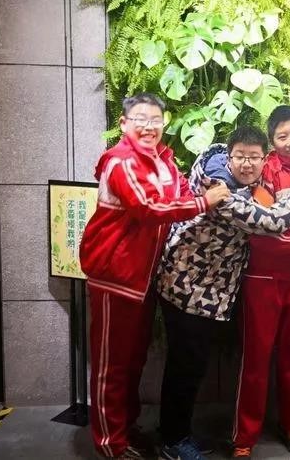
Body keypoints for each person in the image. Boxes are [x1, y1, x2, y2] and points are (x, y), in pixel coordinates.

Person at [79, 93, 230, 459]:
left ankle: (125, 428)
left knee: (133, 360)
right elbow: (149, 208)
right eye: (140, 120)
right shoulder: (120, 161)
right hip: (116, 276)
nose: (148, 127)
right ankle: (110, 443)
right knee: (112, 365)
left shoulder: (163, 160)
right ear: (124, 124)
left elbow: (181, 190)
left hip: (144, 278)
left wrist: (211, 190)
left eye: (155, 120)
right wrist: (203, 202)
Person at [155, 126, 290, 460]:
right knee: (185, 366)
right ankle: (172, 441)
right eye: (240, 156)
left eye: (254, 157)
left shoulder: (227, 171)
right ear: (229, 156)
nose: (247, 164)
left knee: (190, 365)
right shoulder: (222, 191)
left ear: (264, 158)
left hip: (202, 289)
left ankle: (178, 432)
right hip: (187, 288)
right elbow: (273, 221)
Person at [232, 106, 290, 459]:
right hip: (263, 280)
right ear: (272, 142)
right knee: (255, 361)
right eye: (283, 136)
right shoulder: (265, 172)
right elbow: (262, 231)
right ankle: (244, 438)